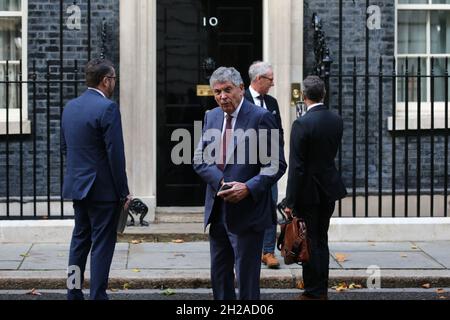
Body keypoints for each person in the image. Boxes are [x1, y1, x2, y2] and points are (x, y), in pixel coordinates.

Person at [193, 67, 286, 300]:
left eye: (227, 90)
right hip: (217, 210)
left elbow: (276, 164)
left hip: (248, 212)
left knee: (246, 280)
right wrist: (221, 181)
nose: (222, 96)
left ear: (241, 89)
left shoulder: (261, 117)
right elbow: (199, 159)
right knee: (220, 276)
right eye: (217, 92)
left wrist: (248, 187)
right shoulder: (211, 116)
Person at [62, 59, 131, 300]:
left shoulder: (70, 107)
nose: (114, 83)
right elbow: (115, 154)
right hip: (103, 191)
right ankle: (98, 295)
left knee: (79, 241)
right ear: (105, 80)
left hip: (78, 187)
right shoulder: (107, 108)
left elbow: (65, 148)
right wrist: (124, 191)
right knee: (102, 245)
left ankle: (73, 291)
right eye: (113, 79)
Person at [284, 75, 347, 300]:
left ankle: (313, 292)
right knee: (321, 239)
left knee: (308, 242)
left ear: (303, 95)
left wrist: (289, 200)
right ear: (324, 94)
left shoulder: (302, 123)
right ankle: (321, 289)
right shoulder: (336, 119)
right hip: (328, 189)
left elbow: (297, 167)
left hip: (308, 193)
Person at [244, 61, 284, 269]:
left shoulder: (272, 102)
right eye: (270, 79)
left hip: (270, 165)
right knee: (248, 206)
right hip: (248, 165)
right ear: (258, 79)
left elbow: (279, 131)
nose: (273, 83)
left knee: (270, 205)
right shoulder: (242, 100)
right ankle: (250, 249)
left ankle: (268, 251)